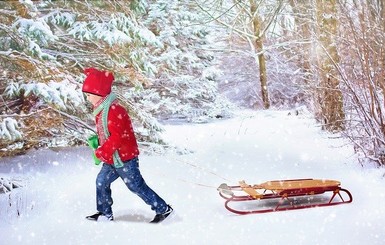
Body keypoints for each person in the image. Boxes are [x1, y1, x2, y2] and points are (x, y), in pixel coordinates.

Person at [82, 67, 173, 223]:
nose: (88, 99)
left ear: (99, 93)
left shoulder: (114, 110)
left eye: (89, 95)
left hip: (125, 158)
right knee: (101, 181)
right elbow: (109, 134)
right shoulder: (102, 110)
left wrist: (102, 151)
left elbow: (117, 138)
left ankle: (163, 209)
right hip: (112, 158)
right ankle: (105, 213)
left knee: (136, 186)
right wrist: (99, 142)